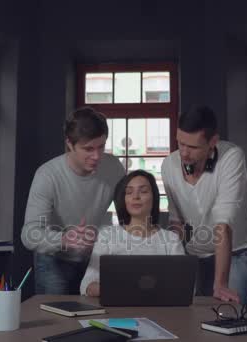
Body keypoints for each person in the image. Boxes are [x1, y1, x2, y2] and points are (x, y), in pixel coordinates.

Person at [161, 105, 247, 304]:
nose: (184, 153)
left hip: (236, 251)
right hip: (195, 253)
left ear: (213, 142)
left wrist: (221, 283)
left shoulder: (231, 157)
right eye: (180, 143)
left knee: (229, 313)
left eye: (193, 147)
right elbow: (176, 221)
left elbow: (223, 224)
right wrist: (172, 264)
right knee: (194, 317)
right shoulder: (169, 165)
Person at [21, 107, 125, 295]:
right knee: (57, 321)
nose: (97, 156)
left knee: (96, 316)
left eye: (101, 146)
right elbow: (29, 234)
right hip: (53, 260)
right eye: (88, 149)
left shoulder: (114, 168)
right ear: (70, 144)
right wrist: (64, 240)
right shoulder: (47, 175)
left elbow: (128, 217)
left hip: (95, 258)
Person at [80, 170, 185, 296]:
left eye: (143, 191)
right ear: (124, 200)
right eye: (129, 192)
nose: (136, 197)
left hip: (159, 310)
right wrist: (120, 290)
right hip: (116, 310)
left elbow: (185, 285)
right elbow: (87, 284)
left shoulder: (171, 240)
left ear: (154, 198)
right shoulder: (107, 236)